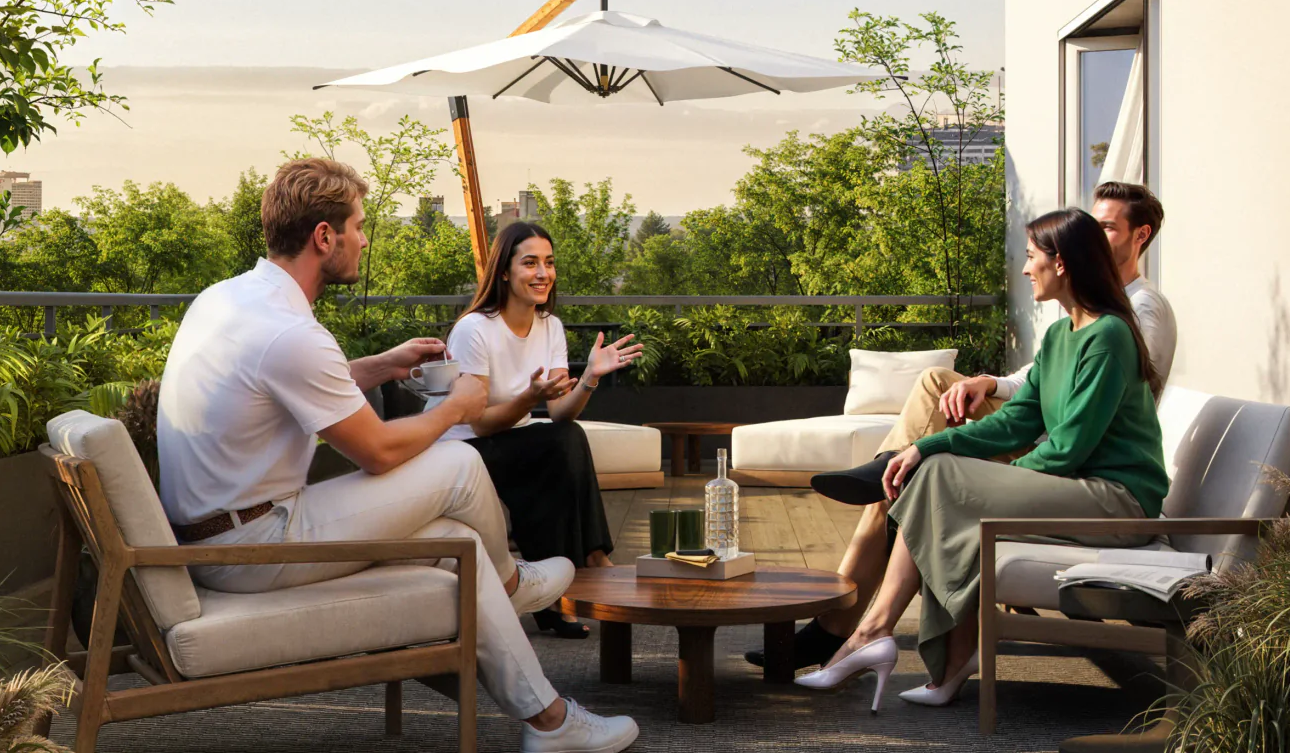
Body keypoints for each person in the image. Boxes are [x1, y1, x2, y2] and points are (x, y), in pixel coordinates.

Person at [156, 158, 639, 753]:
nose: (363, 238)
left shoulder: (231, 300)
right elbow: (377, 450)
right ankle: (514, 581)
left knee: (455, 540)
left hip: (225, 529)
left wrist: (383, 364)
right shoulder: (288, 332)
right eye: (358, 226)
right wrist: (456, 406)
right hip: (254, 544)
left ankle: (548, 720)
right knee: (459, 468)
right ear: (323, 237)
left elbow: (296, 386)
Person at [748, 181, 1176, 673]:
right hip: (1069, 462)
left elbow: (1082, 435)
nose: (1023, 267)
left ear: (1067, 260)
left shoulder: (1123, 324)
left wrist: (991, 469)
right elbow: (1028, 406)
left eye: (1032, 255)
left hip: (1107, 486)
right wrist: (951, 424)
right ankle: (884, 605)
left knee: (932, 479)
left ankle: (869, 628)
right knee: (929, 445)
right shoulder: (1064, 330)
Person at [436, 220, 642, 637]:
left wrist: (590, 378)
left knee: (565, 437)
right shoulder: (475, 329)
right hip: (465, 448)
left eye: (548, 263)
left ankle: (568, 581)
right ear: (504, 272)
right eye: (530, 263)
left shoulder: (550, 327)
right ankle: (587, 565)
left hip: (515, 441)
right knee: (555, 446)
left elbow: (562, 412)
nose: (542, 273)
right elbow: (479, 421)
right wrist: (528, 400)